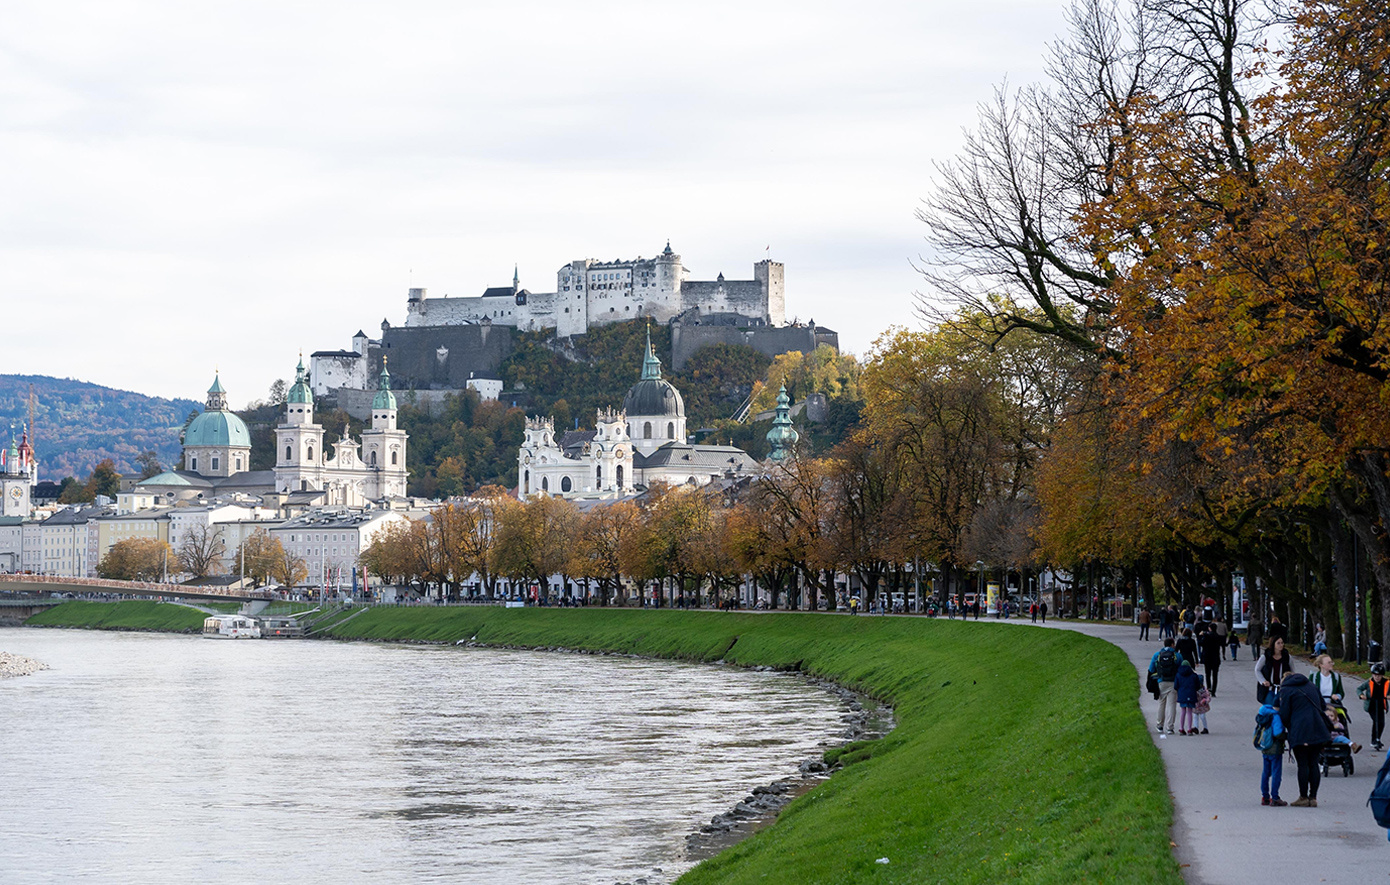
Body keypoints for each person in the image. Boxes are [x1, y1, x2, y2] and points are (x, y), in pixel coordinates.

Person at [1278, 671, 1332, 807]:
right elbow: (1323, 706)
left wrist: (1288, 725)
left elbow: (1284, 713)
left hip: (1299, 729)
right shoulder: (1311, 685)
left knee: (1302, 764)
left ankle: (1303, 797)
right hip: (1317, 728)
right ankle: (1313, 797)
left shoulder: (1286, 690)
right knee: (1313, 763)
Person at [1149, 637, 1187, 734]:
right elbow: (1182, 669)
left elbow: (1151, 669)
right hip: (1173, 682)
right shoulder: (1177, 656)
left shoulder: (1157, 655)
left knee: (1161, 703)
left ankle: (1159, 725)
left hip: (1161, 681)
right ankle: (1170, 727)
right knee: (1172, 705)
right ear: (1172, 644)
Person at [1255, 698, 1287, 806]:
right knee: (1276, 773)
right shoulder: (1276, 716)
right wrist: (1286, 736)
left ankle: (1265, 796)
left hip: (1265, 747)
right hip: (1275, 748)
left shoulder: (1263, 713)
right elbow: (1278, 733)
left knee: (1266, 772)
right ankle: (1275, 797)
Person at [1359, 663, 1390, 751]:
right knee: (1376, 721)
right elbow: (1359, 689)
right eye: (1375, 675)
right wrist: (1361, 695)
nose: (1377, 677)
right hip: (1371, 705)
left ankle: (1378, 739)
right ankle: (1374, 740)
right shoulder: (1369, 682)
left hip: (1381, 704)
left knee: (1382, 723)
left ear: (1382, 675)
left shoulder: (1387, 682)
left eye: (1379, 676)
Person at [1255, 637, 1293, 705]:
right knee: (1270, 707)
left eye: (1282, 643)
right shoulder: (1266, 657)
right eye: (1278, 643)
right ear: (1273, 644)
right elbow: (1257, 670)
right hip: (1269, 689)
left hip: (1283, 689)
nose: (1281, 645)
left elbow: (1292, 672)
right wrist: (1263, 681)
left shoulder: (1287, 657)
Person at [1175, 661, 1204, 735]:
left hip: (1182, 694)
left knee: (1183, 711)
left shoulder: (1178, 674)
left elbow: (1175, 686)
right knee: (1189, 712)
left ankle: (1181, 729)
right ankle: (1189, 729)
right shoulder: (1193, 675)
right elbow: (1197, 686)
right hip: (1191, 694)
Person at [1199, 625, 1224, 696]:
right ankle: (1214, 691)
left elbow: (1201, 643)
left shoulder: (1207, 636)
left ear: (1209, 628)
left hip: (1208, 657)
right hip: (1216, 657)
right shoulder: (1218, 636)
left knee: (1208, 674)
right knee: (1215, 675)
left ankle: (1209, 688)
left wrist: (1201, 636)